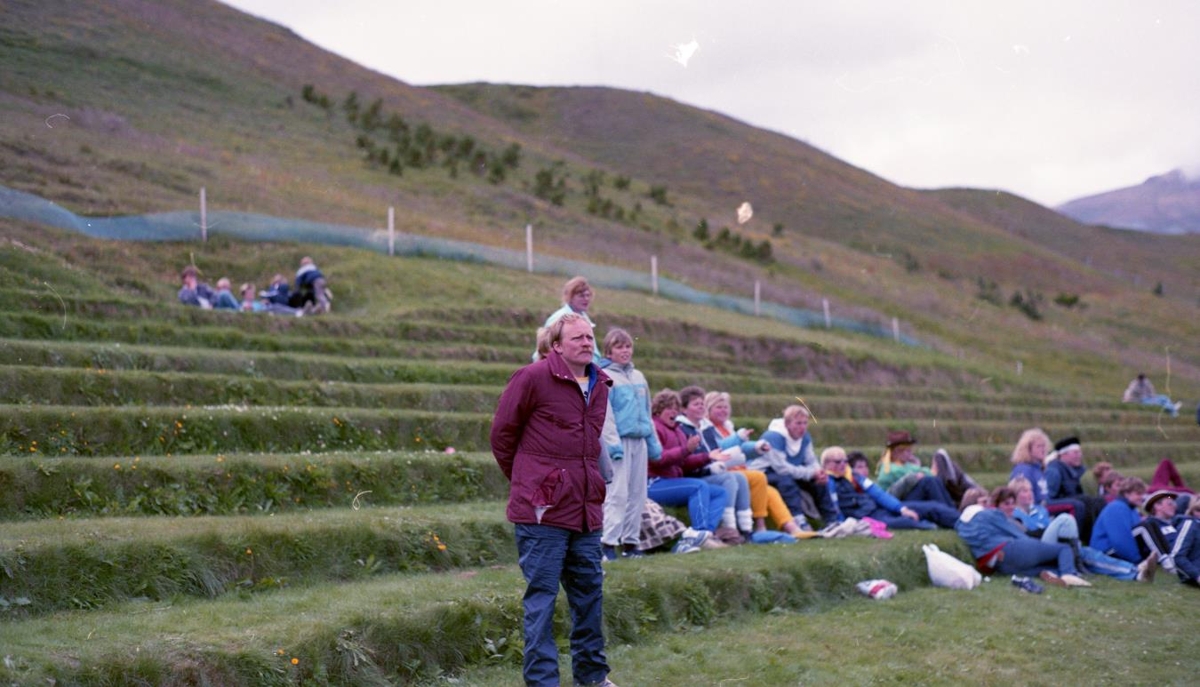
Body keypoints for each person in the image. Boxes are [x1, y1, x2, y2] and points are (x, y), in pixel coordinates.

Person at [489, 313, 618, 687]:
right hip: (542, 513)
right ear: (557, 346)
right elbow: (502, 436)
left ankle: (592, 678)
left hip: (586, 509)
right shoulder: (531, 378)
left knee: (589, 597)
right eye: (578, 338)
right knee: (542, 600)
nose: (587, 343)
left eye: (590, 337)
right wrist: (532, 482)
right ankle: (542, 682)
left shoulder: (601, 383)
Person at [700, 391, 809, 539]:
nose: (723, 411)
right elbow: (719, 448)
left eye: (726, 407)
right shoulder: (706, 428)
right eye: (719, 407)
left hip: (738, 468)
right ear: (708, 409)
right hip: (723, 470)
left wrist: (757, 447)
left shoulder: (727, 427)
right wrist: (739, 438)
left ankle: (793, 527)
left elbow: (740, 449)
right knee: (758, 477)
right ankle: (759, 525)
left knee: (770, 492)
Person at [598, 328, 662, 561]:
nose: (625, 351)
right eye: (619, 347)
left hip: (639, 441)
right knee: (618, 493)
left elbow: (647, 412)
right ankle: (608, 542)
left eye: (628, 346)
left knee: (637, 493)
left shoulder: (639, 377)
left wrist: (653, 444)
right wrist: (613, 445)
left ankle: (631, 542)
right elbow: (605, 416)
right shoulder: (606, 378)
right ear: (609, 351)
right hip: (620, 442)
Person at [955, 486, 1091, 587]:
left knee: (1042, 567)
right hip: (1009, 549)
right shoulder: (990, 514)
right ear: (974, 503)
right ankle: (1069, 574)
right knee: (1063, 549)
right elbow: (1017, 534)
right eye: (984, 502)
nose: (988, 505)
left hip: (997, 565)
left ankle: (1049, 573)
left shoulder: (960, 524)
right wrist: (1037, 546)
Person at [1011, 476, 1139, 581]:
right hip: (1037, 550)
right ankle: (1075, 558)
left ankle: (1134, 571)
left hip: (1052, 545)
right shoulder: (1014, 515)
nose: (1030, 494)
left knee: (1090, 554)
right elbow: (1028, 536)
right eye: (1024, 491)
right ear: (1015, 495)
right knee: (1065, 519)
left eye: (1030, 490)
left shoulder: (1040, 510)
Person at [675, 385, 754, 543]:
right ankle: (728, 527)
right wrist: (711, 467)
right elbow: (687, 462)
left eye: (702, 404)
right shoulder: (682, 428)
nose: (701, 407)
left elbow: (715, 450)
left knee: (740, 478)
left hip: (710, 470)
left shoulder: (706, 427)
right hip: (695, 475)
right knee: (729, 478)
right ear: (684, 409)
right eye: (696, 404)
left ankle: (746, 528)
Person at [647, 389, 729, 535]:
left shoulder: (677, 431)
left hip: (672, 481)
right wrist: (686, 449)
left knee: (719, 493)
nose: (674, 412)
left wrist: (708, 456)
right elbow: (658, 459)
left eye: (676, 408)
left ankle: (707, 533)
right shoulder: (653, 428)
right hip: (653, 483)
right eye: (669, 408)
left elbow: (684, 463)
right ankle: (699, 532)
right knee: (698, 486)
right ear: (658, 410)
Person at [827, 449, 959, 530]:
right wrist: (843, 525)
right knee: (910, 521)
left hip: (884, 507)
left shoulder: (855, 477)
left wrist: (901, 508)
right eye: (838, 462)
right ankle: (943, 523)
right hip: (867, 516)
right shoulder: (828, 482)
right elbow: (833, 507)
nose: (843, 465)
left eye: (844, 461)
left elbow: (878, 494)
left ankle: (962, 522)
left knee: (933, 503)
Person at [751, 404, 836, 527]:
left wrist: (818, 472)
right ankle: (798, 520)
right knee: (786, 482)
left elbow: (811, 460)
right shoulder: (773, 437)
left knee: (819, 483)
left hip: (792, 471)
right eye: (798, 423)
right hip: (765, 472)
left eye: (805, 423)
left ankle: (832, 520)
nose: (802, 427)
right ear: (787, 424)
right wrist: (810, 473)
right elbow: (781, 468)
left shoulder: (805, 437)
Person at [875, 430, 969, 509]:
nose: (910, 453)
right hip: (897, 503)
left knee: (940, 477)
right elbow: (924, 473)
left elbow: (921, 471)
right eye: (907, 450)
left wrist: (918, 466)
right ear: (896, 452)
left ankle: (955, 505)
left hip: (906, 497)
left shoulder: (904, 464)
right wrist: (921, 468)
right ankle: (951, 509)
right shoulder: (891, 469)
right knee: (929, 482)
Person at [1011, 428, 1088, 519]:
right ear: (1028, 449)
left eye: (1044, 446)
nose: (1043, 450)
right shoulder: (1023, 470)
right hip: (1037, 507)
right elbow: (1020, 498)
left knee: (1085, 501)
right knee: (1076, 506)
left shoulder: (1039, 468)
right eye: (1039, 446)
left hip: (1046, 504)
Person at [1044, 436, 1106, 542]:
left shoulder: (1081, 469)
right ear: (1064, 454)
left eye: (1079, 452)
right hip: (1062, 503)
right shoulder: (1054, 470)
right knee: (1084, 502)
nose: (1079, 455)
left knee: (1099, 500)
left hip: (1075, 499)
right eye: (1075, 452)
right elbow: (1050, 496)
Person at [1132, 490, 1200, 586]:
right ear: (1157, 506)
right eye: (1170, 503)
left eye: (1174, 503)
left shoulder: (1178, 523)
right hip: (1170, 558)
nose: (1174, 506)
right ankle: (1168, 563)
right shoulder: (1150, 525)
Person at [536, 276, 599, 363]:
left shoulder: (584, 318)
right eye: (581, 296)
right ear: (570, 297)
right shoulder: (559, 318)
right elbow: (544, 349)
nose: (586, 299)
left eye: (588, 295)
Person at [1089, 477, 1147, 564]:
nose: (1142, 497)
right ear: (1126, 493)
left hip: (1116, 549)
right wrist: (1138, 560)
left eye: (1142, 494)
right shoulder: (1117, 508)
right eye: (1138, 494)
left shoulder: (1132, 510)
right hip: (1103, 552)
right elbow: (1120, 541)